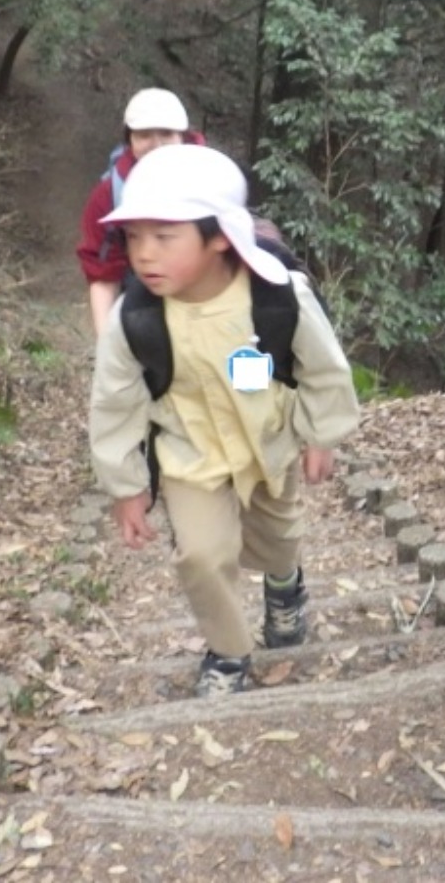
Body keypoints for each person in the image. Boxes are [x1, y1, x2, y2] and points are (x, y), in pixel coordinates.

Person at [88, 143, 359, 697]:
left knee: (277, 537)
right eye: (135, 237)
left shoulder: (277, 296)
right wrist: (126, 486)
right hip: (190, 451)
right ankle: (229, 651)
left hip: (269, 440)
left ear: (218, 237)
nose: (144, 254)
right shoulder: (135, 315)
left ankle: (285, 586)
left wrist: (320, 434)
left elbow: (324, 368)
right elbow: (114, 400)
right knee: (202, 555)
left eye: (165, 237)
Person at [76, 88, 204, 334]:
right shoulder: (110, 195)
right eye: (144, 135)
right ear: (130, 139)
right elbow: (103, 273)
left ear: (183, 136)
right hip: (144, 309)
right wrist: (106, 343)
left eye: (166, 134)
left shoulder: (213, 179)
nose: (156, 145)